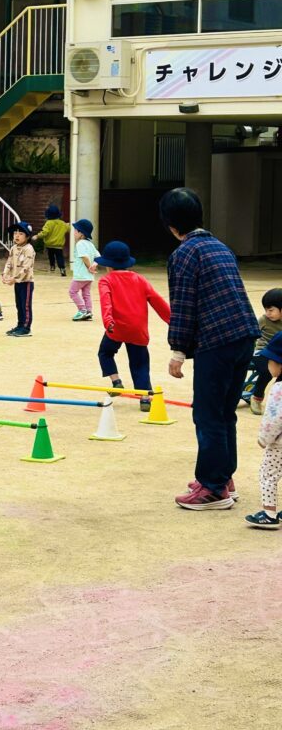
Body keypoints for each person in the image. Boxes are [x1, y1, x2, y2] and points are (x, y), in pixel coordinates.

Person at [162, 187, 260, 511]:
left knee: (207, 414)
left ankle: (214, 488)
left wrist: (178, 351)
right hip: (244, 335)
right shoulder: (220, 246)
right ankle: (222, 477)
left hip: (216, 340)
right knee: (224, 412)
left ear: (170, 225)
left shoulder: (184, 254)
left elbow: (183, 305)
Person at [95, 241, 170, 411]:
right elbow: (157, 301)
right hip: (138, 329)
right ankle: (145, 398)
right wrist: (172, 321)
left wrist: (108, 321)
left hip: (116, 328)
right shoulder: (140, 279)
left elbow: (106, 302)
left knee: (105, 353)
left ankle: (116, 382)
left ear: (108, 265)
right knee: (140, 363)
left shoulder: (106, 280)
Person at [244, 333, 282, 528]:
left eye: (270, 361)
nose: (268, 365)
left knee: (268, 475)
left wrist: (264, 439)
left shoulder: (279, 389)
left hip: (279, 444)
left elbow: (274, 420)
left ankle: (269, 513)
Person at [248, 288, 282, 416]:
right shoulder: (264, 320)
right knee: (268, 370)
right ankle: (257, 397)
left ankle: (278, 400)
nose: (268, 313)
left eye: (271, 310)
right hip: (262, 352)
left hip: (278, 354)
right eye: (266, 310)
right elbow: (252, 334)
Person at [1, 222, 35, 337]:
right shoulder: (14, 248)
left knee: (25, 306)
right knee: (19, 305)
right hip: (17, 282)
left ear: (27, 236)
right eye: (15, 233)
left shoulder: (28, 249)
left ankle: (26, 328)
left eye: (20, 234)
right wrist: (5, 274)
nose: (17, 236)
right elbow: (9, 262)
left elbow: (26, 267)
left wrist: (14, 279)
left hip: (26, 282)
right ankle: (20, 325)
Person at [69, 218, 98, 321]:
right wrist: (94, 265)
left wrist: (89, 267)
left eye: (76, 231)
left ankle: (82, 310)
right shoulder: (90, 244)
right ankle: (89, 312)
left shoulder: (80, 244)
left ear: (81, 233)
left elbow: (84, 257)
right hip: (89, 277)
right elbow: (98, 257)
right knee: (86, 294)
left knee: (72, 292)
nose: (74, 233)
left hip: (80, 275)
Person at [36, 203, 70, 276]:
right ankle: (62, 269)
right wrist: (69, 224)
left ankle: (52, 266)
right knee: (59, 257)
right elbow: (68, 228)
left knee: (51, 256)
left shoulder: (48, 223)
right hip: (59, 245)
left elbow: (45, 232)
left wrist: (37, 236)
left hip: (49, 244)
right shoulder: (62, 223)